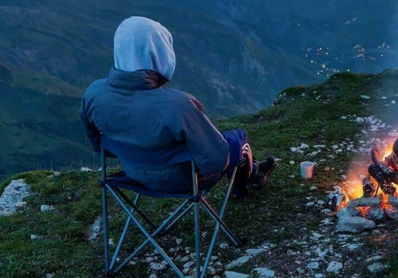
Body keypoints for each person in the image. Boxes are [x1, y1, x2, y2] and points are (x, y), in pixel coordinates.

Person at [79, 16, 276, 198]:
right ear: (158, 53)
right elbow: (216, 161)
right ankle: (251, 177)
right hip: (182, 180)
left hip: (132, 173)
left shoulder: (93, 94)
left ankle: (251, 176)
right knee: (239, 138)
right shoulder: (177, 105)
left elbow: (100, 145)